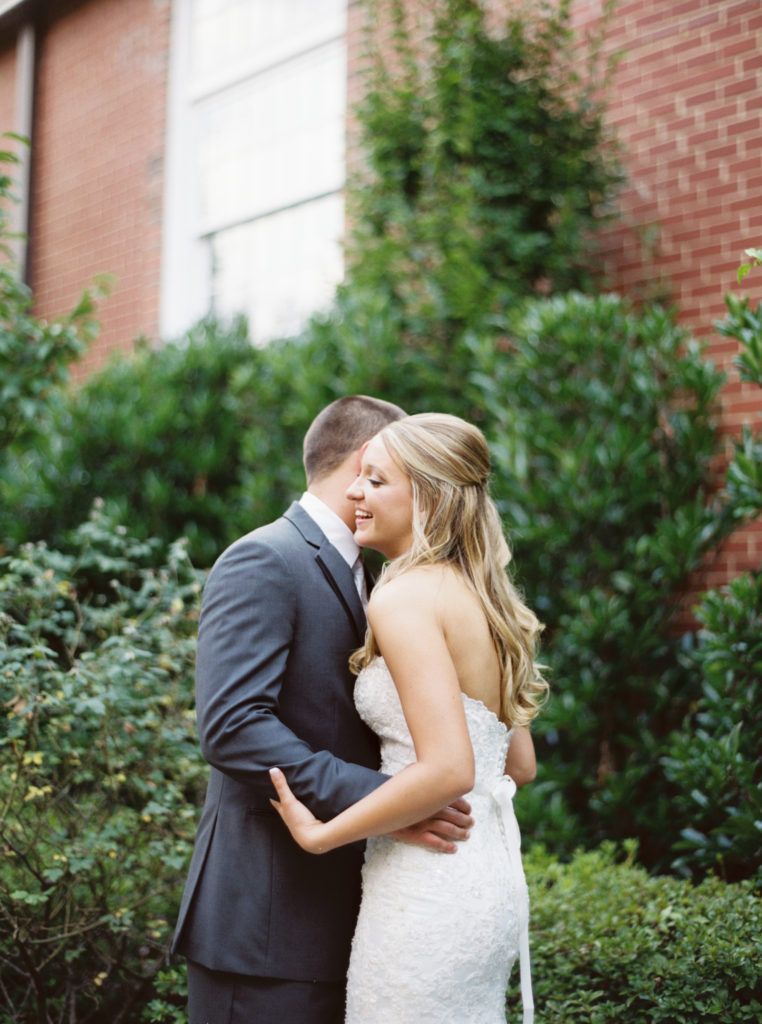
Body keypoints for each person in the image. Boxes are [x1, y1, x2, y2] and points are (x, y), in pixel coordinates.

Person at [171, 396, 475, 1024]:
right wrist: (385, 802)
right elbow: (233, 727)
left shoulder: (382, 573)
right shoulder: (266, 558)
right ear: (367, 459)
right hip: (266, 927)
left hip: (356, 919)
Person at [269, 412, 548, 1024]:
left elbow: (450, 768)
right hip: (485, 877)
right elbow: (518, 764)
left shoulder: (404, 595)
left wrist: (321, 834)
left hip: (427, 887)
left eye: (375, 480)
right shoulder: (486, 596)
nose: (355, 493)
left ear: (426, 492)